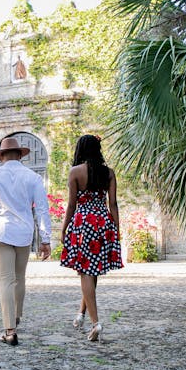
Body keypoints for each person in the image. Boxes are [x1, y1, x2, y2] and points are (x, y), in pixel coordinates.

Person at [0, 136, 52, 346]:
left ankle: (9, 330)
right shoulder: (33, 177)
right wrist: (45, 239)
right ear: (20, 155)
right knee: (19, 278)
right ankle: (15, 316)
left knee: (5, 280)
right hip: (24, 233)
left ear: (2, 156)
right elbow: (42, 209)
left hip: (1, 232)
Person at [60, 134, 123, 341]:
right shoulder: (109, 173)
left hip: (83, 223)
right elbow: (112, 204)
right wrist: (116, 229)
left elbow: (71, 205)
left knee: (85, 272)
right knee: (92, 270)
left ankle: (96, 323)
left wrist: (64, 228)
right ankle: (81, 313)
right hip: (103, 222)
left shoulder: (75, 172)